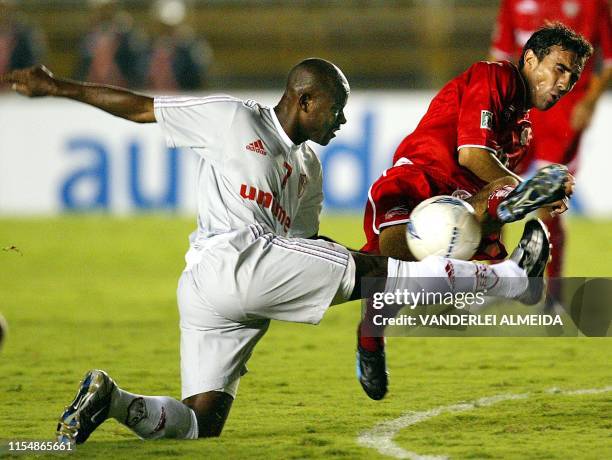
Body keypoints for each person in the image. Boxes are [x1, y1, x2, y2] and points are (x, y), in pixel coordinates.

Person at [3, 59, 553, 443]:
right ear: (303, 98)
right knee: (378, 273)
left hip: (225, 295)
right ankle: (507, 279)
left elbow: (307, 246)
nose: (341, 121)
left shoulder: (309, 168)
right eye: (335, 109)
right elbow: (140, 108)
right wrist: (56, 88)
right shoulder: (234, 119)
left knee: (201, 422)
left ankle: (110, 399)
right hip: (228, 260)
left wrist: (347, 264)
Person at [357, 24, 592, 400]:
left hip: (463, 205)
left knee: (435, 269)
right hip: (418, 181)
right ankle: (370, 340)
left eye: (574, 76)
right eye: (560, 69)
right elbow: (472, 155)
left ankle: (512, 275)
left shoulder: (523, 131)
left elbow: (493, 183)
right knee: (386, 268)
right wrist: (529, 192)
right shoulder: (494, 76)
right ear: (530, 59)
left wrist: (522, 196)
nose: (565, 84)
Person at [489, 0, 612, 307]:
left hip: (564, 111)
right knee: (493, 189)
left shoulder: (593, 4)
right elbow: (499, 54)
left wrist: (589, 101)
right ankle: (495, 279)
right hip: (519, 107)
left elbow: (610, 59)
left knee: (548, 198)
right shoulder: (513, 3)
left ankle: (551, 291)